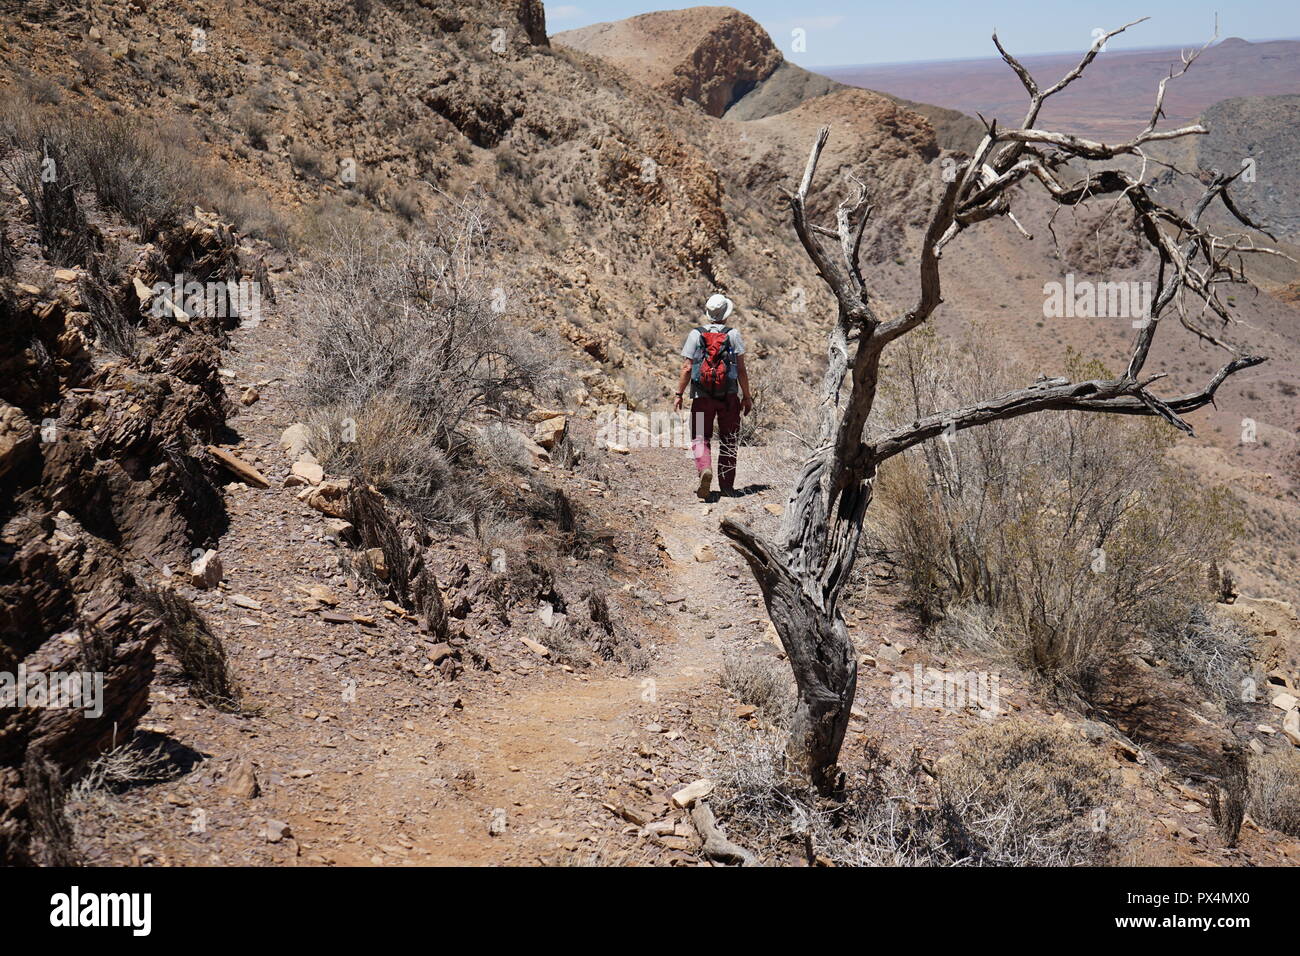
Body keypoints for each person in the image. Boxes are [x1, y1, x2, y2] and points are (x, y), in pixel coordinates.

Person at [673, 293, 752, 500]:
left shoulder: (695, 335)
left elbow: (687, 367)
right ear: (726, 314)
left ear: (709, 313)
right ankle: (726, 486)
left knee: (700, 436)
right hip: (729, 396)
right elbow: (741, 370)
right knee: (729, 440)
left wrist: (679, 393)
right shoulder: (733, 335)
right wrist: (747, 396)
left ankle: (704, 469)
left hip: (701, 396)